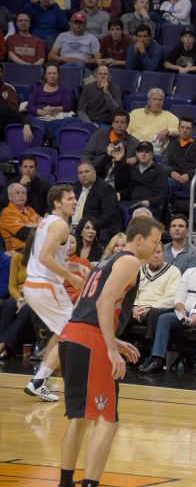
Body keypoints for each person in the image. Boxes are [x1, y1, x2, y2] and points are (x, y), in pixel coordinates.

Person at [56, 217, 162, 487]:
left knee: (79, 418)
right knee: (107, 419)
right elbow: (103, 302)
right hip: (90, 341)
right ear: (138, 240)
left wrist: (111, 338)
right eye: (155, 241)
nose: (157, 246)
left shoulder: (105, 261)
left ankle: (65, 483)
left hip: (72, 334)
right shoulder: (129, 262)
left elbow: (85, 302)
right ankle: (90, 483)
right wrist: (111, 349)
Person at [22, 185, 84, 402]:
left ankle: (42, 377)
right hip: (46, 286)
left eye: (75, 198)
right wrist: (72, 276)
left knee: (62, 331)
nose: (75, 201)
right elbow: (45, 258)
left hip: (34, 284)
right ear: (57, 202)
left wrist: (75, 267)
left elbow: (49, 257)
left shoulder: (47, 221)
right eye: (70, 198)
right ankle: (39, 381)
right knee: (73, 331)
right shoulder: (60, 226)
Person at [139, 241, 196, 375]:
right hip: (185, 313)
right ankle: (157, 359)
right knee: (164, 318)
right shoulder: (189, 272)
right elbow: (179, 297)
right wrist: (181, 310)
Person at [129, 241, 182, 343]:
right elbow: (131, 293)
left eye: (158, 252)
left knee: (154, 314)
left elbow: (172, 298)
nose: (155, 256)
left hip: (159, 309)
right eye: (152, 253)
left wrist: (149, 308)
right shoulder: (138, 270)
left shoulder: (174, 271)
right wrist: (134, 307)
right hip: (138, 309)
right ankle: (121, 351)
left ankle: (150, 351)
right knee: (123, 313)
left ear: (164, 253)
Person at [163, 117, 196, 222]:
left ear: (192, 130)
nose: (185, 130)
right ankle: (163, 219)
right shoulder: (171, 145)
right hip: (174, 179)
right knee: (162, 182)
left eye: (188, 128)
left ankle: (195, 222)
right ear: (178, 128)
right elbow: (163, 164)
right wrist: (171, 172)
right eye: (182, 127)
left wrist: (189, 175)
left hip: (192, 180)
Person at [117, 141, 170, 218]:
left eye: (146, 152)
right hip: (133, 203)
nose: (143, 154)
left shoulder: (160, 171)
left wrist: (148, 202)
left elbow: (162, 195)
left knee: (141, 213)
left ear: (152, 155)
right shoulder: (133, 170)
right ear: (136, 154)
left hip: (151, 205)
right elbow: (129, 191)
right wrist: (120, 194)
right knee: (112, 208)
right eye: (140, 151)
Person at [0, 184, 42, 253]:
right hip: (19, 252)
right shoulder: (7, 213)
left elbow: (45, 223)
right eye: (17, 193)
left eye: (23, 193)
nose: (21, 195)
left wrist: (30, 225)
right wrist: (39, 225)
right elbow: (24, 234)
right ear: (9, 197)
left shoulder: (30, 209)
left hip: (36, 248)